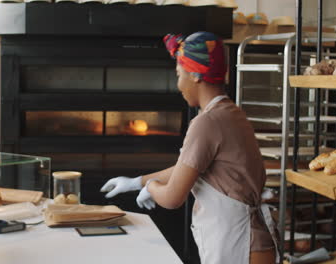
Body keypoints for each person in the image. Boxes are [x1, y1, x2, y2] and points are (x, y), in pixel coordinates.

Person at [100, 32, 278, 264]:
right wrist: (137, 182)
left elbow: (173, 197)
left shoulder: (207, 122)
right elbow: (186, 168)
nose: (178, 84)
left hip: (240, 245)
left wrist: (153, 187)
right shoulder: (231, 114)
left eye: (178, 74)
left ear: (195, 74)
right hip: (252, 242)